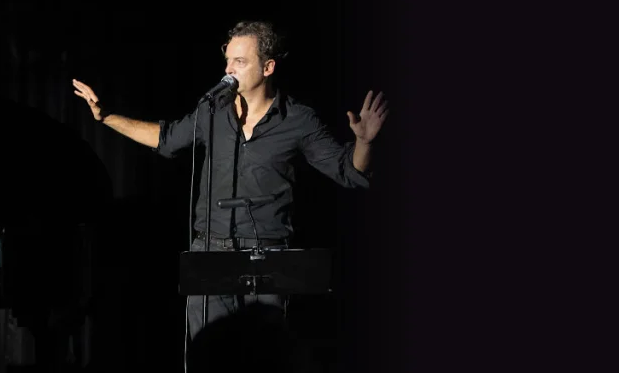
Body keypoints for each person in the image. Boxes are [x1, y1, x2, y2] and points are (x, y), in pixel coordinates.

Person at [68, 20, 386, 367]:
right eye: (228, 60)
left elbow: (348, 171)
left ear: (268, 67)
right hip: (211, 253)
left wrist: (364, 143)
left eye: (240, 61)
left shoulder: (298, 120)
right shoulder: (213, 112)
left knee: (264, 359)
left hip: (268, 257)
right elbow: (167, 139)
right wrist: (106, 117)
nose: (228, 70)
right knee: (210, 359)